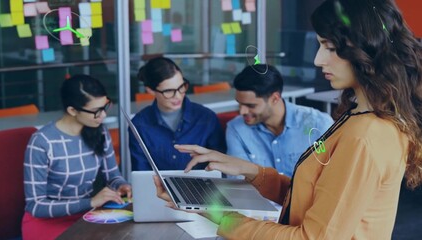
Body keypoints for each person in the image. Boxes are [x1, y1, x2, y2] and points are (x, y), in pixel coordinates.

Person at [154, 0, 422, 239]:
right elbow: (312, 201)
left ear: (365, 49)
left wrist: (221, 217)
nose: (318, 60)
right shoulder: (360, 118)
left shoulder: (365, 136)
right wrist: (250, 170)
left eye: (328, 47)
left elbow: (313, 237)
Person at [22, 74, 132, 240]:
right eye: (96, 111)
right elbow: (35, 205)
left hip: (87, 216)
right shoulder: (42, 142)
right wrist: (89, 203)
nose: (103, 116)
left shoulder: (100, 131)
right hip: (47, 221)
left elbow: (113, 176)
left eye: (105, 106)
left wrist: (121, 185)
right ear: (72, 110)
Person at [226, 64, 333, 177]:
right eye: (240, 104)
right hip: (255, 195)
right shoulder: (236, 129)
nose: (242, 111)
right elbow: (239, 181)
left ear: (275, 98)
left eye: (251, 105)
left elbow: (332, 176)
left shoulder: (318, 124)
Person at [130, 57, 226, 171]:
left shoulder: (206, 118)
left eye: (181, 87)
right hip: (158, 188)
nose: (178, 96)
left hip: (203, 186)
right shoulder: (139, 125)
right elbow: (141, 172)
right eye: (169, 91)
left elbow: (221, 165)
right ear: (150, 90)